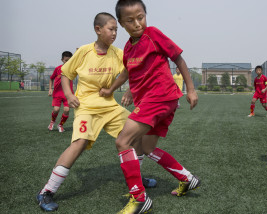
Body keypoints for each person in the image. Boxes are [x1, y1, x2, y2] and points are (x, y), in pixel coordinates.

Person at [36, 12, 155, 212]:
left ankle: (136, 178)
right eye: (111, 29)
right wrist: (69, 93)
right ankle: (46, 191)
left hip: (110, 106)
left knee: (138, 135)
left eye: (117, 29)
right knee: (79, 144)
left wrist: (132, 90)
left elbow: (132, 71)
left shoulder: (118, 53)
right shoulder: (83, 51)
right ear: (98, 30)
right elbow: (66, 74)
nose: (115, 33)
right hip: (87, 108)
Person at [99, 1, 200, 213]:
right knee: (146, 148)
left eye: (140, 17)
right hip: (158, 101)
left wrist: (190, 89)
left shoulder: (152, 34)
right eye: (130, 20)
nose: (137, 23)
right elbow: (127, 73)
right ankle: (187, 178)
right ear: (122, 24)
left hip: (159, 97)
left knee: (123, 141)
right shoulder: (127, 48)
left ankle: (139, 198)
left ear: (145, 15)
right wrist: (112, 89)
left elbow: (177, 58)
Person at [48, 51, 73, 132]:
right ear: (62, 60)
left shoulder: (73, 69)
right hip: (57, 94)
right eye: (66, 60)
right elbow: (51, 78)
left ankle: (60, 125)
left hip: (68, 94)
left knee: (66, 110)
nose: (67, 62)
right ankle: (52, 122)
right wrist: (50, 89)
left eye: (69, 60)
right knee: (56, 109)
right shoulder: (57, 69)